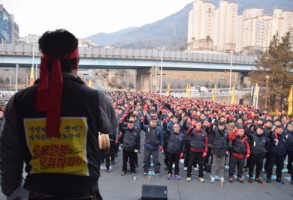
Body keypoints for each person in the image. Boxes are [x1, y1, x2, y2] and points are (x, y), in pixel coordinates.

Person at [0, 29, 117, 200]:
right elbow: (110, 126)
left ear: (43, 61)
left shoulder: (19, 101)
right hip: (83, 193)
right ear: (76, 62)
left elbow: (9, 151)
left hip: (38, 192)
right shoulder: (94, 98)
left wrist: (13, 190)